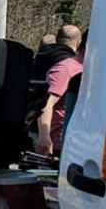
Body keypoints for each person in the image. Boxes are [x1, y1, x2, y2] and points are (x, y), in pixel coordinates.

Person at [35, 28, 86, 157]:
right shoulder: (66, 69)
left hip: (76, 145)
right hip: (57, 145)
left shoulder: (88, 70)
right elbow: (46, 103)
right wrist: (44, 136)